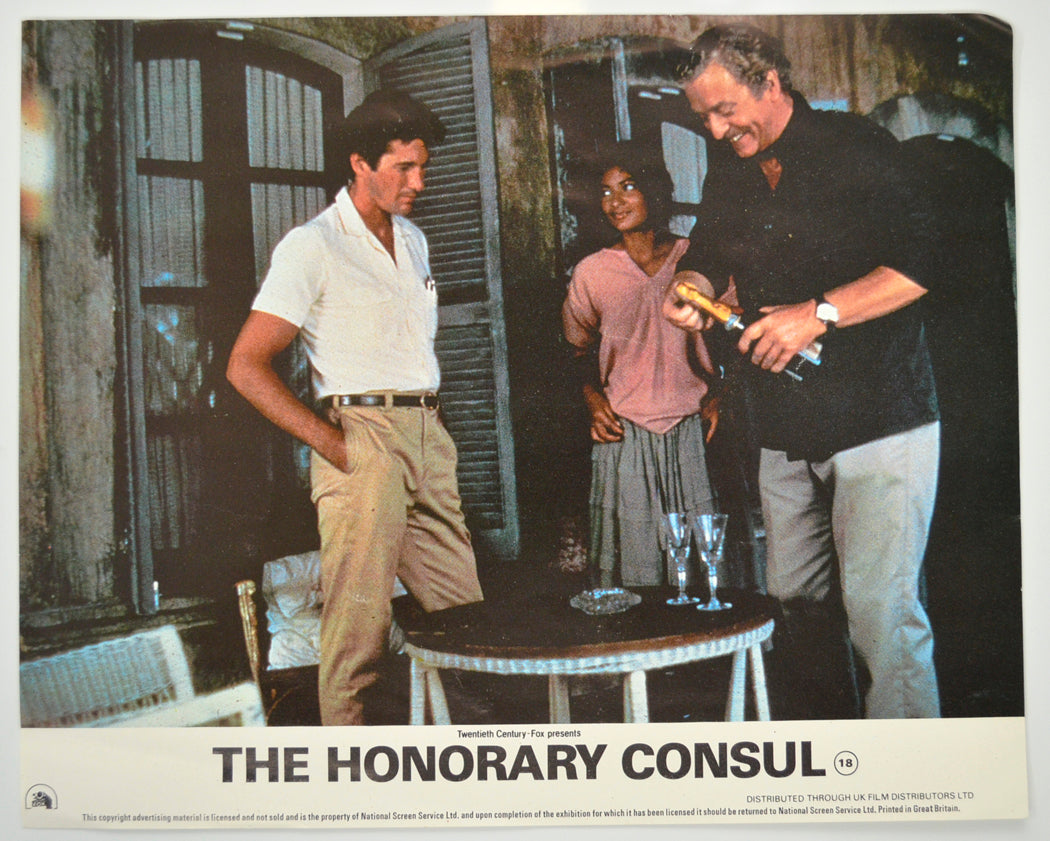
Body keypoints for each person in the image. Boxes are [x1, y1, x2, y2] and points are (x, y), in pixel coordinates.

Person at [664, 24, 941, 719]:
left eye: (725, 109)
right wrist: (693, 286)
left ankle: (912, 772)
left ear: (770, 83)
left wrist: (817, 313)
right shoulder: (731, 168)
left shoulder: (856, 147)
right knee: (795, 601)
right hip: (785, 426)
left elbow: (920, 267)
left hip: (879, 417)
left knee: (881, 616)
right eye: (703, 117)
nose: (716, 129)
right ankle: (838, 759)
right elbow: (707, 251)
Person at [226, 89, 484, 726]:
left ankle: (470, 756)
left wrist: (429, 433)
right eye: (404, 168)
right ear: (360, 164)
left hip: (427, 434)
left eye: (424, 167)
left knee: (468, 621)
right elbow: (245, 366)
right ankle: (348, 766)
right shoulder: (312, 245)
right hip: (361, 435)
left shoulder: (414, 240)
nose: (419, 183)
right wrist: (337, 445)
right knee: (359, 635)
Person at [562, 143, 718, 589]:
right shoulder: (592, 272)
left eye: (628, 186)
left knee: (706, 573)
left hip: (693, 431)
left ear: (654, 189)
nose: (615, 202)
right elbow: (574, 352)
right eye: (605, 192)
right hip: (625, 434)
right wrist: (592, 400)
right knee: (635, 577)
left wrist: (720, 397)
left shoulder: (695, 259)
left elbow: (734, 340)